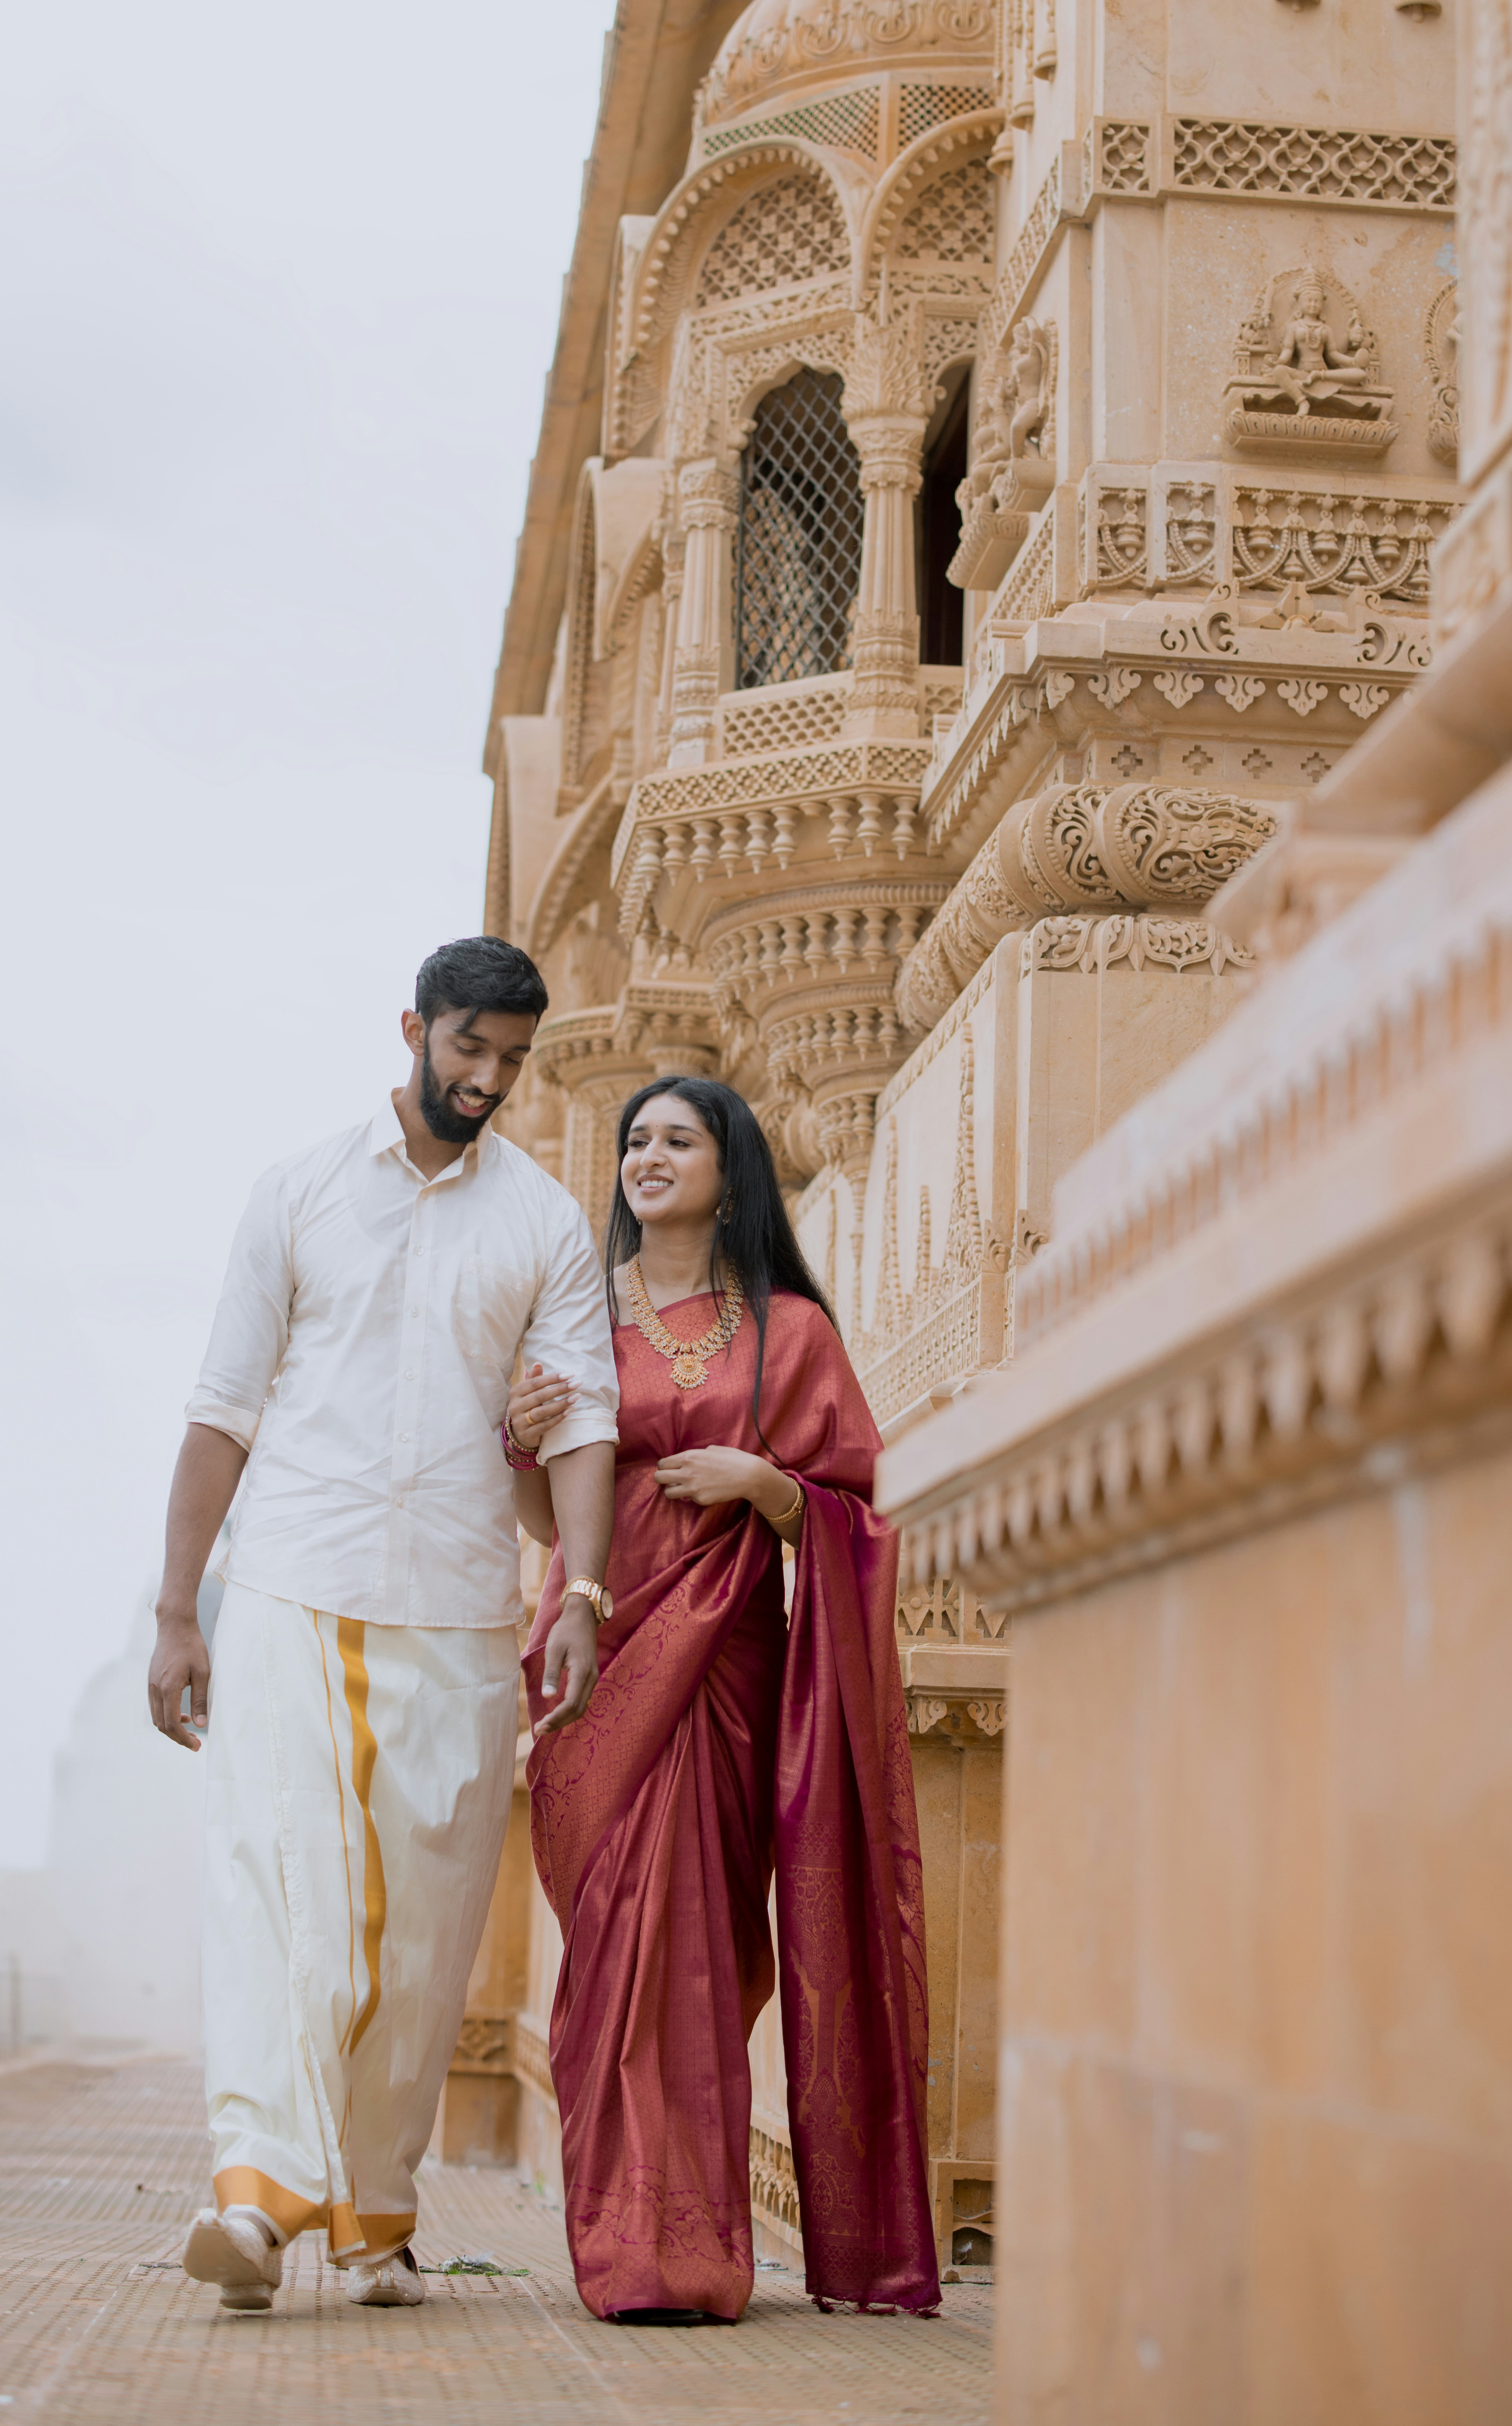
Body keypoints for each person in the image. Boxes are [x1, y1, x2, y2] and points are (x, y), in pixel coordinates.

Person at [145, 936, 617, 2314]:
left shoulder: (541, 1222)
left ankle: (372, 2208)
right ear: (413, 1027)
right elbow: (223, 1409)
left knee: (423, 1924)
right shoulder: (296, 1193)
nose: (488, 1080)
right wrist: (182, 1609)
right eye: (469, 1049)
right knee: (278, 1881)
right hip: (293, 1579)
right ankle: (256, 2191)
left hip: (463, 1608)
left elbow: (583, 1419)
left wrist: (578, 1593)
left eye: (513, 1062)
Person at [504, 1076, 939, 2323]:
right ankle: (627, 2244)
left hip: (732, 1665)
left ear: (728, 1169)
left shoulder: (791, 1332)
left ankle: (686, 2249)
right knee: (616, 1943)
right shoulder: (577, 1321)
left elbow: (860, 1512)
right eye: (635, 1139)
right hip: (600, 1648)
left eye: (676, 1140)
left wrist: (768, 1485)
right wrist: (523, 1446)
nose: (647, 1156)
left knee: (701, 1950)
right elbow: (544, 1517)